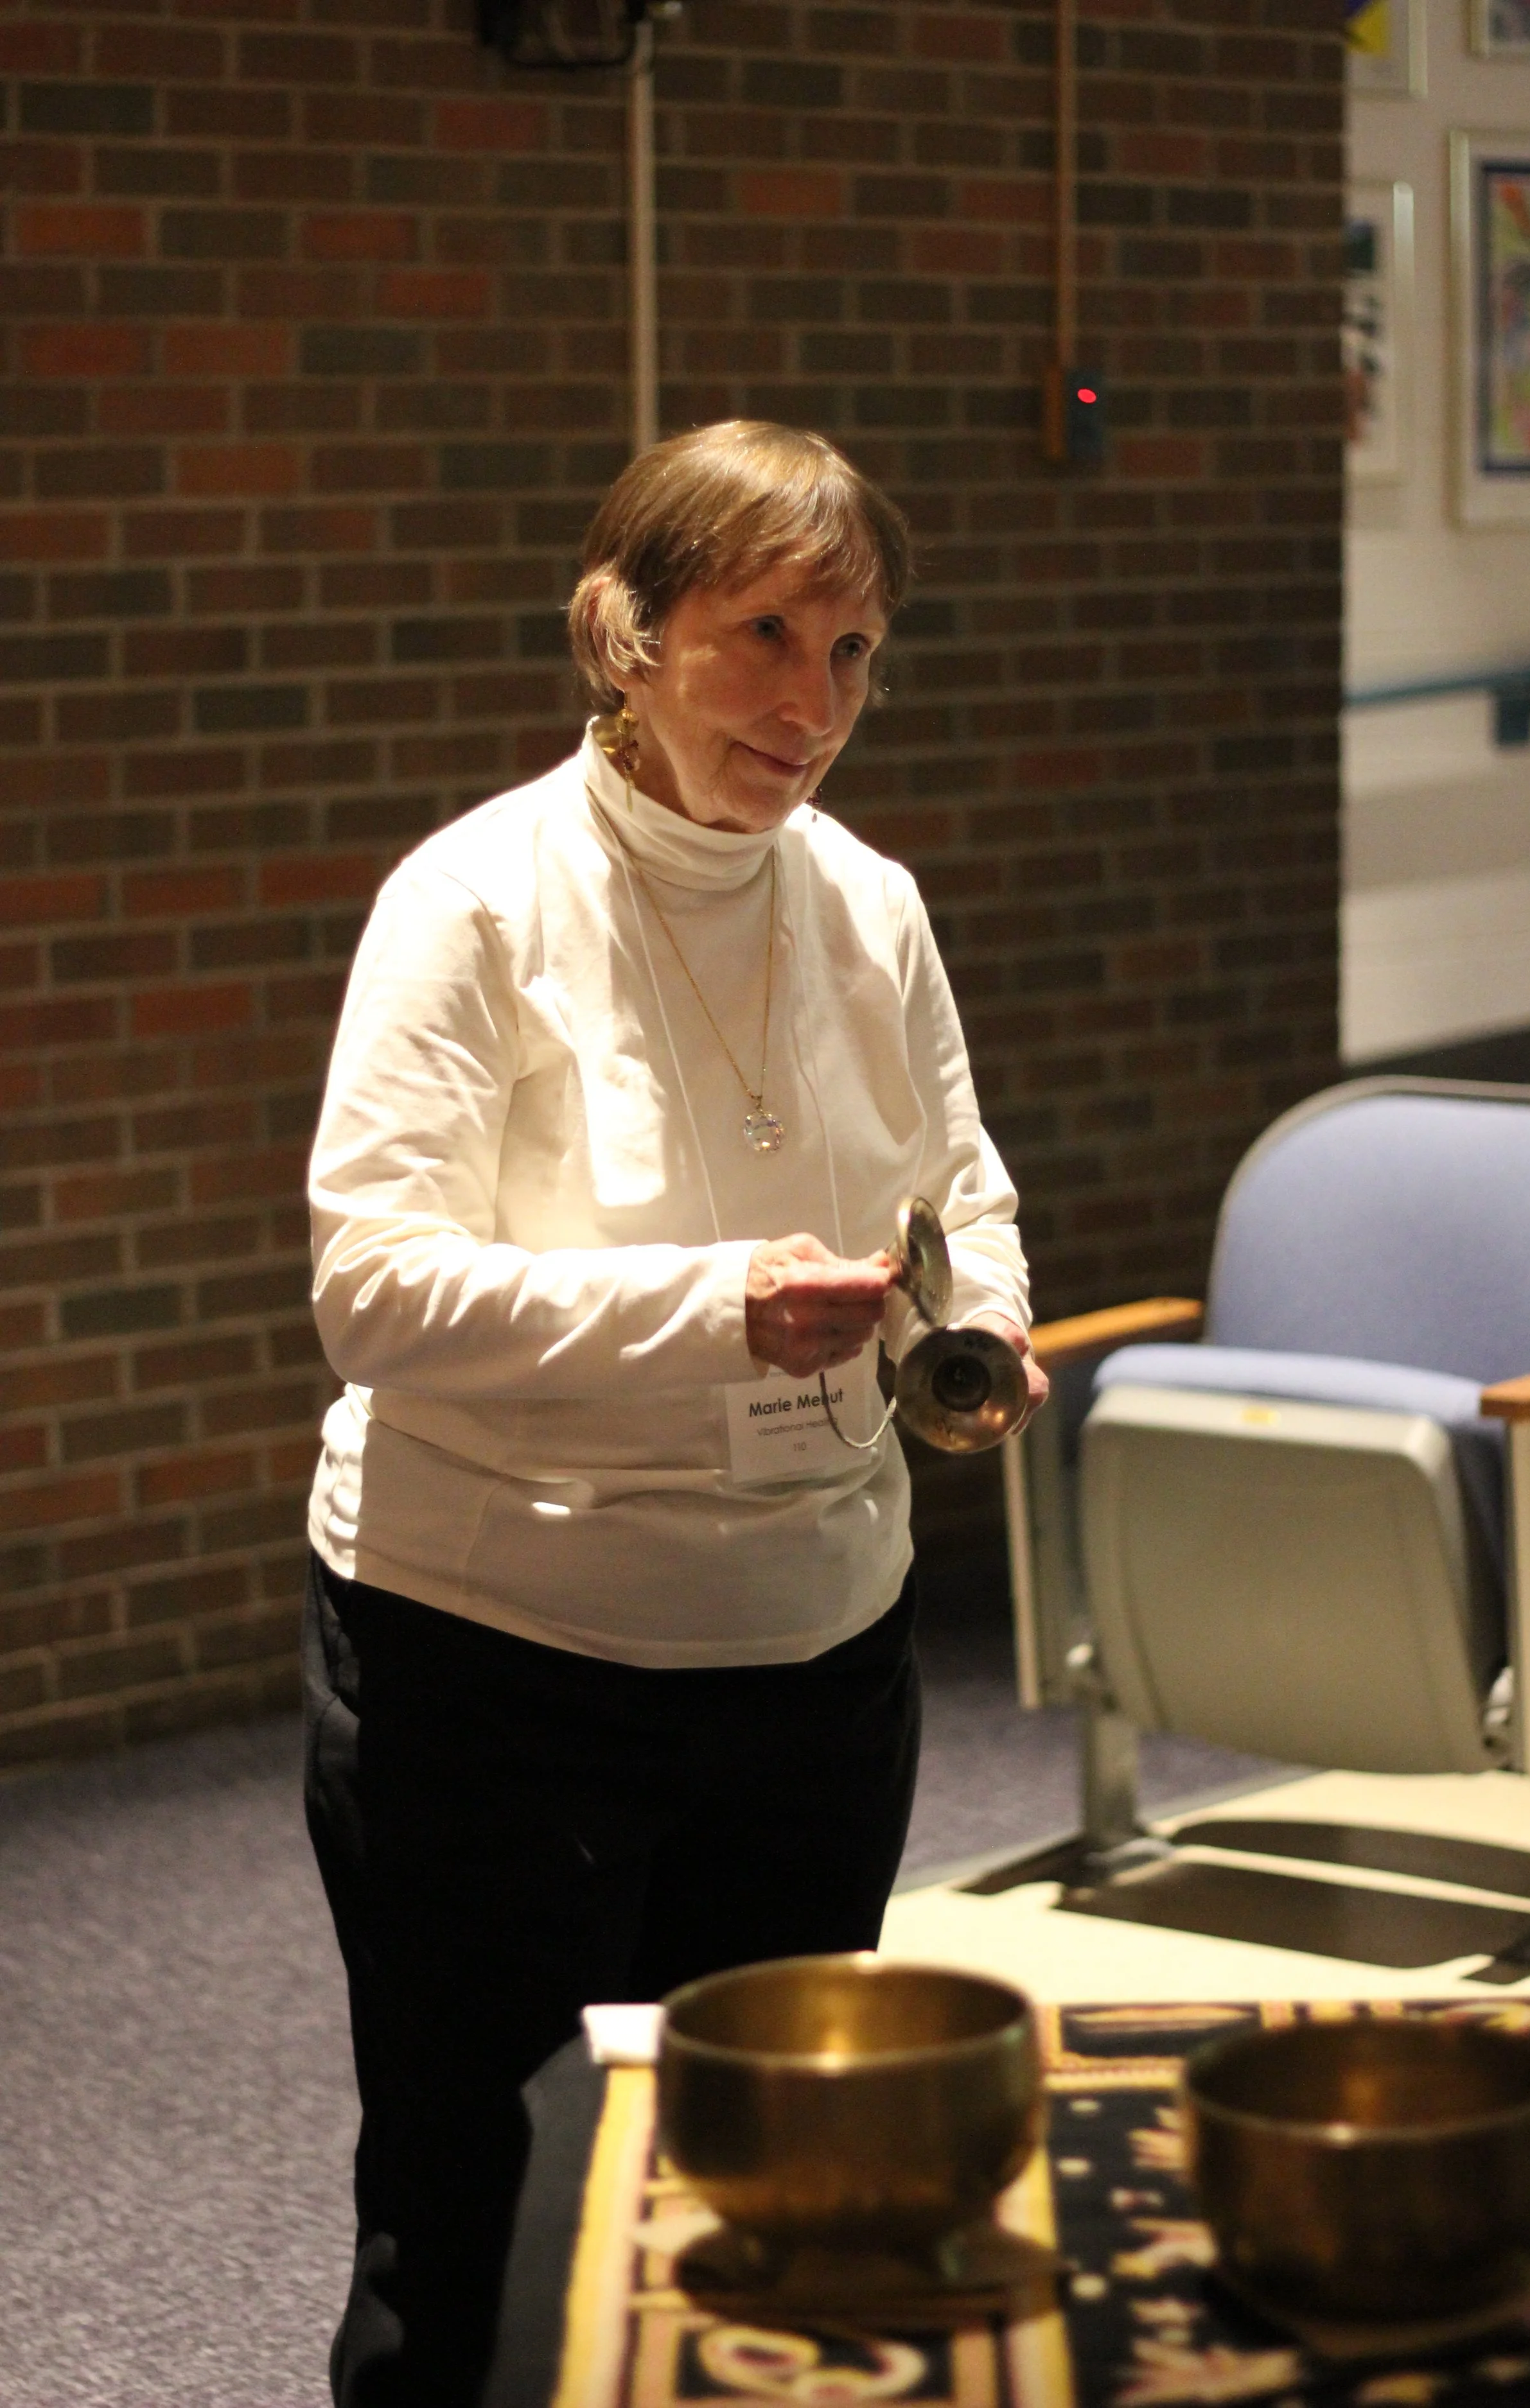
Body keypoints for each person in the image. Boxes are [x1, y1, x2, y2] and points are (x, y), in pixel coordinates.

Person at [301, 419, 1046, 2405]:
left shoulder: (867, 903)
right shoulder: (469, 903)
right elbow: (370, 1294)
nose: (814, 706)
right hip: (504, 1659)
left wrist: (973, 1330)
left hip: (812, 1646)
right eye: (763, 637)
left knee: (773, 2186)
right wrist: (715, 1313)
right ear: (619, 636)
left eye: (856, 650)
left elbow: (957, 1189)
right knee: (487, 2211)